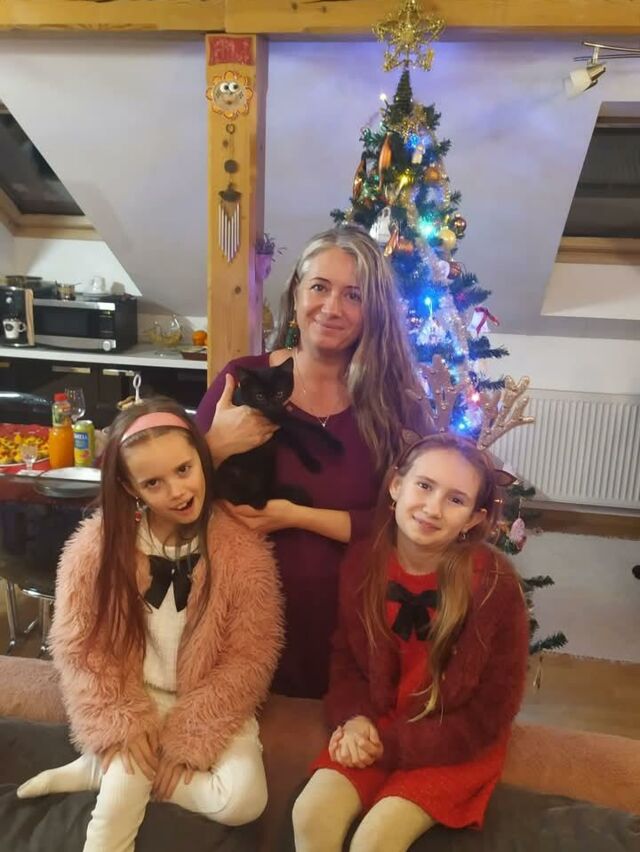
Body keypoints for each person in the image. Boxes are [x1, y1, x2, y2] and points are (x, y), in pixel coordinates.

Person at [17, 398, 283, 852]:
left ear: (201, 458)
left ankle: (98, 770)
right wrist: (118, 723)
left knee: (244, 800)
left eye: (184, 470)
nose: (177, 491)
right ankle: (114, 772)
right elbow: (80, 646)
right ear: (130, 486)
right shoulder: (97, 548)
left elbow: (249, 657)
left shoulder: (244, 553)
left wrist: (191, 735)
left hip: (207, 702)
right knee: (117, 806)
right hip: (135, 696)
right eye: (153, 483)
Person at [196, 224, 426, 699]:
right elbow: (169, 494)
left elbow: (411, 523)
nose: (332, 308)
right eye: (320, 287)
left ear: (373, 310)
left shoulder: (395, 403)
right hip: (240, 624)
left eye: (353, 295)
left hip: (356, 630)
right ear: (297, 292)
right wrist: (213, 446)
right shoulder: (242, 382)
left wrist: (295, 516)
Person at [292, 433, 530, 852]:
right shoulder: (363, 563)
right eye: (424, 486)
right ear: (396, 486)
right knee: (311, 814)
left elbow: (492, 709)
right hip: (376, 724)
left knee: (376, 840)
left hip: (450, 741)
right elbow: (347, 660)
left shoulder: (495, 585)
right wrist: (354, 719)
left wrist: (394, 747)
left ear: (473, 519)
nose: (433, 509)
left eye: (455, 500)